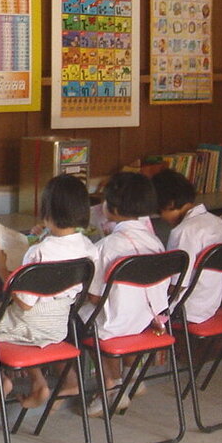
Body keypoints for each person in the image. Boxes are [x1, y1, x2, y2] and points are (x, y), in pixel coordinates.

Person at [0, 174, 97, 410]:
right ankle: (39, 383)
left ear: (47, 210)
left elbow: (25, 304)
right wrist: (45, 233)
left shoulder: (39, 253)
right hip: (58, 326)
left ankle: (2, 381)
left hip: (28, 323)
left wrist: (1, 268)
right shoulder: (88, 248)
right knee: (30, 333)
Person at [78, 171, 167, 415]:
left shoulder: (106, 247)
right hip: (150, 324)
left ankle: (111, 389)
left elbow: (95, 298)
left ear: (112, 207)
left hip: (117, 326)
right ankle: (130, 375)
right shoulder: (155, 242)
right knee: (113, 313)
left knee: (85, 320)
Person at [152, 168, 222, 324]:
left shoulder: (183, 231)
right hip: (211, 303)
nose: (162, 219)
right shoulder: (216, 222)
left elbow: (177, 285)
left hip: (186, 309)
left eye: (160, 212)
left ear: (170, 204)